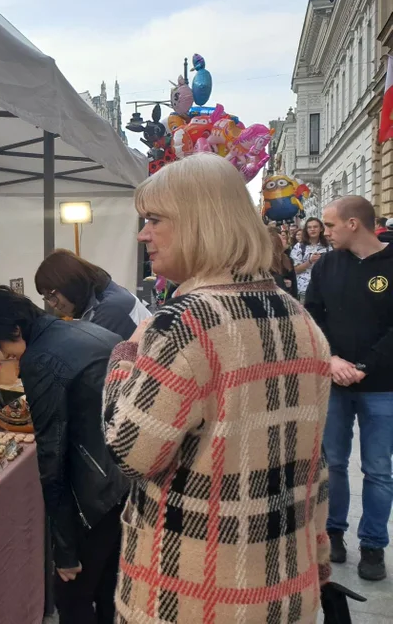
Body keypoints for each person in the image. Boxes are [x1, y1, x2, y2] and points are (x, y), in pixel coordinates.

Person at [102, 154, 331, 623]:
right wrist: (320, 556)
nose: (143, 234)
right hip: (283, 584)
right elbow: (312, 462)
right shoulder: (298, 316)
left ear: (198, 221)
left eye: (154, 219)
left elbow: (129, 451)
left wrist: (124, 357)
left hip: (190, 591)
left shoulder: (185, 322)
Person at [0, 286, 127, 624]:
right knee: (112, 589)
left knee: (72, 596)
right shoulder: (79, 328)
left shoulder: (41, 360)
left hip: (97, 493)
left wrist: (65, 551)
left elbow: (52, 462)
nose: (3, 356)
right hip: (125, 477)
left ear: (14, 330)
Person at [305, 195, 393, 581]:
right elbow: (313, 315)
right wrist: (333, 360)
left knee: (377, 469)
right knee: (333, 463)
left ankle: (373, 545)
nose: (325, 233)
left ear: (354, 224)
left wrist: (364, 367)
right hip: (335, 383)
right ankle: (334, 532)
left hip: (383, 385)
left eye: (330, 226)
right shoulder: (327, 265)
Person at [35, 249, 151, 339]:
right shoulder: (101, 295)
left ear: (69, 283)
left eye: (51, 296)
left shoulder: (110, 309)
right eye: (46, 298)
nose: (52, 304)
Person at [292, 217, 330, 301]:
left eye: (315, 227)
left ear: (321, 229)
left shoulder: (328, 246)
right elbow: (295, 270)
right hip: (304, 289)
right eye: (309, 227)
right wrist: (310, 261)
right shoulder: (299, 247)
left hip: (325, 288)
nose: (312, 229)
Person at [269, 225, 297, 297]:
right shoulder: (267, 262)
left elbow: (294, 283)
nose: (286, 240)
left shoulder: (288, 259)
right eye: (282, 239)